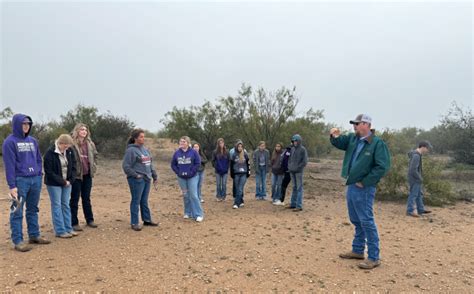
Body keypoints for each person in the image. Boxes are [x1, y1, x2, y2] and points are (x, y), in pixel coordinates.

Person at [330, 114, 391, 270]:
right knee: (356, 219)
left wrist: (365, 182)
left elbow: (382, 167)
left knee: (366, 221)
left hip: (364, 188)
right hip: (351, 184)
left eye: (357, 124)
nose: (354, 126)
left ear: (366, 124)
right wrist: (334, 135)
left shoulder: (377, 143)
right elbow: (339, 142)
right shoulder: (353, 139)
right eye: (354, 124)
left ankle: (373, 257)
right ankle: (357, 250)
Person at [2, 114, 51, 252]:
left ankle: (34, 235)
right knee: (17, 211)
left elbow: (38, 159)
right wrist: (12, 186)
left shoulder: (33, 141)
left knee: (33, 209)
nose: (26, 126)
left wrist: (38, 173)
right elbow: (9, 165)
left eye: (28, 124)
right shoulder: (9, 142)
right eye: (23, 124)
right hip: (20, 180)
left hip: (35, 179)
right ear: (17, 124)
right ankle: (18, 240)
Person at [122, 129, 159, 231]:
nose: (143, 138)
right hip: (137, 180)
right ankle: (134, 222)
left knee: (144, 200)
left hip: (147, 178)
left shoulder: (144, 149)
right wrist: (136, 175)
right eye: (141, 137)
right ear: (135, 138)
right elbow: (126, 166)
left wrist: (154, 175)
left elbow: (149, 163)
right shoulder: (131, 150)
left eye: (144, 136)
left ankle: (147, 220)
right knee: (136, 200)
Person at [44, 134, 78, 238]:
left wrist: (70, 180)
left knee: (66, 205)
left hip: (67, 183)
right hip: (54, 184)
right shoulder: (50, 153)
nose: (67, 147)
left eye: (68, 146)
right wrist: (63, 182)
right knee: (57, 205)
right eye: (66, 145)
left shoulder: (70, 151)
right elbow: (49, 172)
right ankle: (60, 230)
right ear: (60, 143)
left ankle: (68, 228)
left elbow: (73, 166)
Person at [70, 123, 99, 231]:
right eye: (82, 129)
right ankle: (74, 222)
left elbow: (95, 156)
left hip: (87, 175)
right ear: (77, 131)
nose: (84, 132)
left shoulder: (90, 144)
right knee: (74, 199)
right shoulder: (72, 143)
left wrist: (94, 167)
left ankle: (89, 220)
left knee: (86, 198)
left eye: (85, 130)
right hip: (77, 176)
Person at [171, 136, 204, 222]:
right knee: (185, 195)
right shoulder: (177, 153)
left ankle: (198, 214)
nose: (182, 143)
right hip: (181, 178)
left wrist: (192, 172)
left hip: (192, 177)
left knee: (193, 195)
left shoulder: (193, 152)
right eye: (181, 141)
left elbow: (198, 163)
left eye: (184, 142)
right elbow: (173, 164)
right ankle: (187, 212)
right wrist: (178, 172)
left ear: (188, 143)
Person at [406, 141, 433, 217]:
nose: (428, 150)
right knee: (413, 194)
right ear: (423, 147)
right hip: (414, 178)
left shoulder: (417, 155)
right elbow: (413, 169)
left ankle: (420, 209)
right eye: (427, 148)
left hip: (415, 178)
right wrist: (419, 178)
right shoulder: (416, 156)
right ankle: (410, 211)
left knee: (419, 194)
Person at [287, 134, 308, 211]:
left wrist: (298, 167)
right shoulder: (292, 149)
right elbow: (289, 159)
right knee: (294, 187)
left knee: (299, 188)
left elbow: (305, 161)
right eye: (293, 141)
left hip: (298, 172)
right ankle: (293, 204)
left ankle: (299, 206)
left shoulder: (303, 149)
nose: (294, 142)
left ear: (299, 141)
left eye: (296, 141)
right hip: (292, 171)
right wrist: (289, 166)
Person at [230, 140, 250, 209]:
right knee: (237, 188)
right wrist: (232, 174)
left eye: (241, 146)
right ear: (236, 147)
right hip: (236, 173)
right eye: (239, 146)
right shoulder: (234, 155)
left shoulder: (245, 154)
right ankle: (241, 201)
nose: (240, 148)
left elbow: (248, 164)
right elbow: (231, 165)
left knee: (240, 188)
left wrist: (248, 173)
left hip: (243, 173)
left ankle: (236, 203)